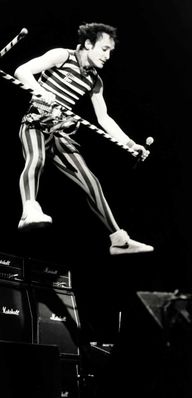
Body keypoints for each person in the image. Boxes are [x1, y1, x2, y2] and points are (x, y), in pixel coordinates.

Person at [14, 22, 154, 255]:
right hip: (36, 121)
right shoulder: (62, 56)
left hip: (60, 130)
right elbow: (22, 71)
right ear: (88, 44)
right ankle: (29, 210)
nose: (108, 56)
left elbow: (105, 119)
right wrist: (42, 92)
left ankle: (118, 239)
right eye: (104, 49)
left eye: (110, 51)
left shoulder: (95, 81)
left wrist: (130, 144)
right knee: (36, 158)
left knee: (90, 181)